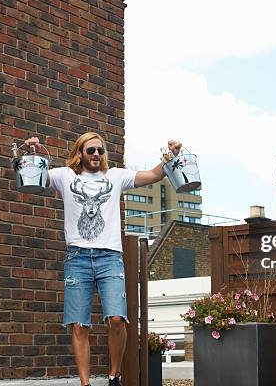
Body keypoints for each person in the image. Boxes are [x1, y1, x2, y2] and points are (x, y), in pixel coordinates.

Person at [24, 132, 181, 386]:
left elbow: (154, 175)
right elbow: (34, 177)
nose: (96, 154)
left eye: (100, 150)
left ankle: (114, 375)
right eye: (91, 150)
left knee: (117, 319)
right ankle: (85, 383)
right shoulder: (65, 176)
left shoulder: (116, 176)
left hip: (110, 258)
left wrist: (171, 156)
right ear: (80, 153)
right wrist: (33, 153)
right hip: (77, 257)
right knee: (79, 325)